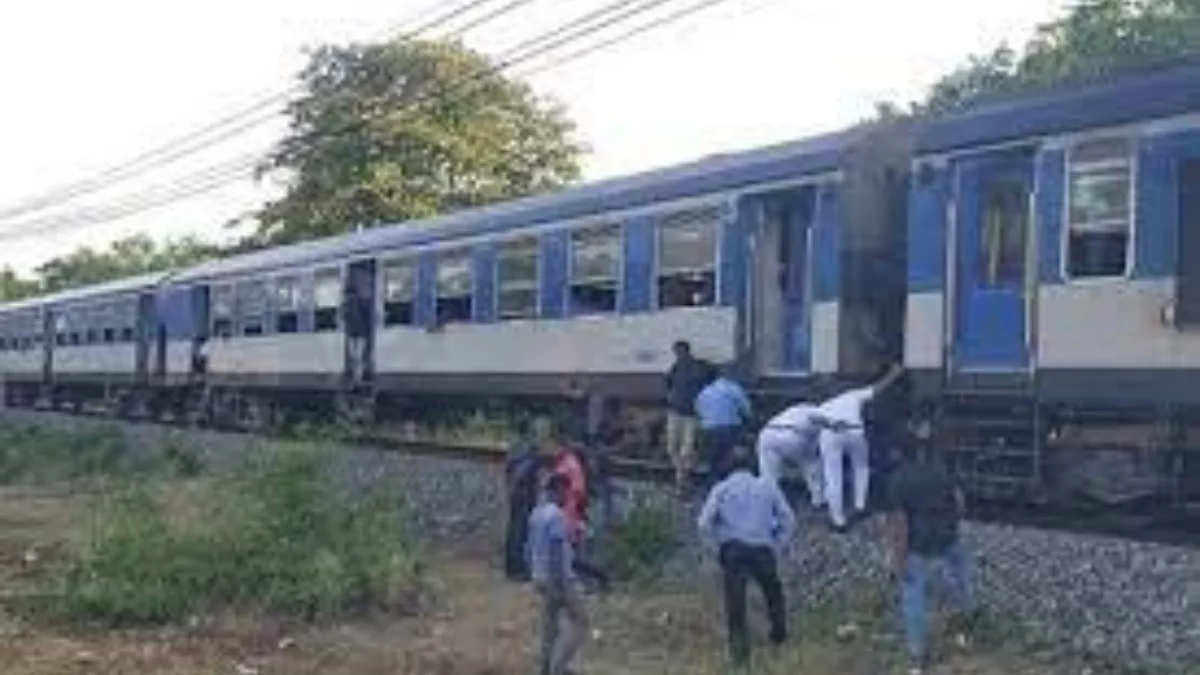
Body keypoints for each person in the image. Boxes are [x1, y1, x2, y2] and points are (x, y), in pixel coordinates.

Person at [887, 422, 977, 674]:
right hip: (949, 540)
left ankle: (918, 659)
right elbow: (960, 504)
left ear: (898, 452)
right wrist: (951, 525)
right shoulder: (942, 470)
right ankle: (965, 635)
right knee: (962, 585)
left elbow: (900, 527)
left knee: (914, 599)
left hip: (919, 546)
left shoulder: (898, 480)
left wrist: (899, 559)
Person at [697, 445, 796, 670]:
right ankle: (778, 633)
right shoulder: (767, 486)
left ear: (729, 466)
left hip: (734, 551)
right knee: (773, 592)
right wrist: (777, 543)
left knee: (736, 604)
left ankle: (740, 656)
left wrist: (715, 548)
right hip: (762, 549)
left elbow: (703, 523)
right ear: (753, 465)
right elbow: (788, 519)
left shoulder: (721, 489)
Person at [815, 363, 905, 531]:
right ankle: (860, 505)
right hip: (854, 430)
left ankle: (838, 520)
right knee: (861, 467)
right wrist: (894, 374)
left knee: (832, 475)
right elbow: (877, 389)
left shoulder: (820, 408)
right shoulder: (852, 395)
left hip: (830, 432)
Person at [528, 473, 589, 675]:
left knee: (550, 627)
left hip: (540, 576)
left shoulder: (536, 513)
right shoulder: (556, 516)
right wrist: (560, 584)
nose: (567, 497)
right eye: (565, 492)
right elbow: (556, 550)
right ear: (557, 490)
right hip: (558, 578)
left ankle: (545, 669)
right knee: (581, 620)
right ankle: (559, 667)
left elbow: (528, 548)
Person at [755, 401, 834, 508]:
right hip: (791, 434)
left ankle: (766, 502)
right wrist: (832, 424)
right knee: (811, 464)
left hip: (767, 433)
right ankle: (819, 499)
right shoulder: (815, 410)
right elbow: (817, 419)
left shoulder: (792, 411)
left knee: (768, 474)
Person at [664, 339, 714, 494]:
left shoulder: (699, 367)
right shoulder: (677, 367)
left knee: (685, 448)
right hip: (677, 411)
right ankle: (682, 475)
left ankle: (682, 479)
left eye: (678, 351)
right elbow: (668, 383)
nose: (677, 354)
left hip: (690, 413)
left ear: (685, 351)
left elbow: (668, 384)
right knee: (673, 446)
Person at [694, 365, 753, 486]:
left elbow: (698, 409)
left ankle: (713, 487)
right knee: (730, 458)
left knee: (713, 460)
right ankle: (731, 484)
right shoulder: (733, 388)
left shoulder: (704, 392)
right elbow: (746, 409)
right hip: (730, 428)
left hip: (709, 430)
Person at [504, 419, 542, 581]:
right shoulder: (529, 448)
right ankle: (517, 567)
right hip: (523, 494)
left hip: (516, 493)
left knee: (514, 529)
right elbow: (522, 472)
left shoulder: (515, 446)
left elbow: (510, 470)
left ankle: (511, 565)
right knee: (520, 530)